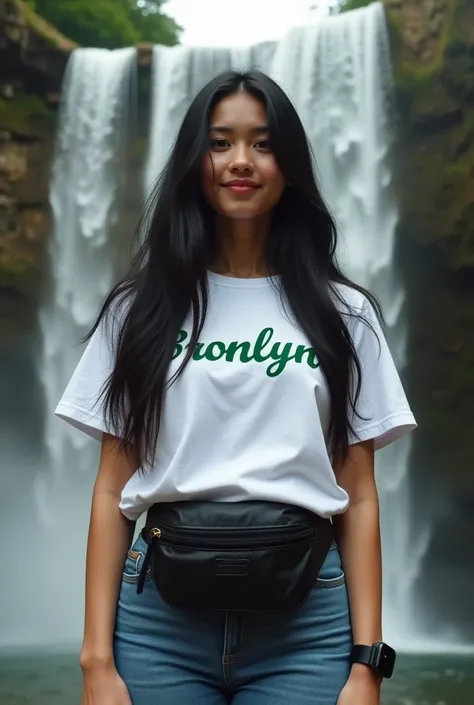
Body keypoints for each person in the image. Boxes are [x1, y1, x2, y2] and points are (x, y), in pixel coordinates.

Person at [55, 70, 417, 705]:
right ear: (195, 159)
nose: (241, 162)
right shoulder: (138, 310)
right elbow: (112, 486)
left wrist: (366, 668)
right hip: (158, 626)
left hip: (308, 623)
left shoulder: (345, 314)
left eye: (263, 143)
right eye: (220, 142)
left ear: (291, 164)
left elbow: (358, 495)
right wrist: (96, 661)